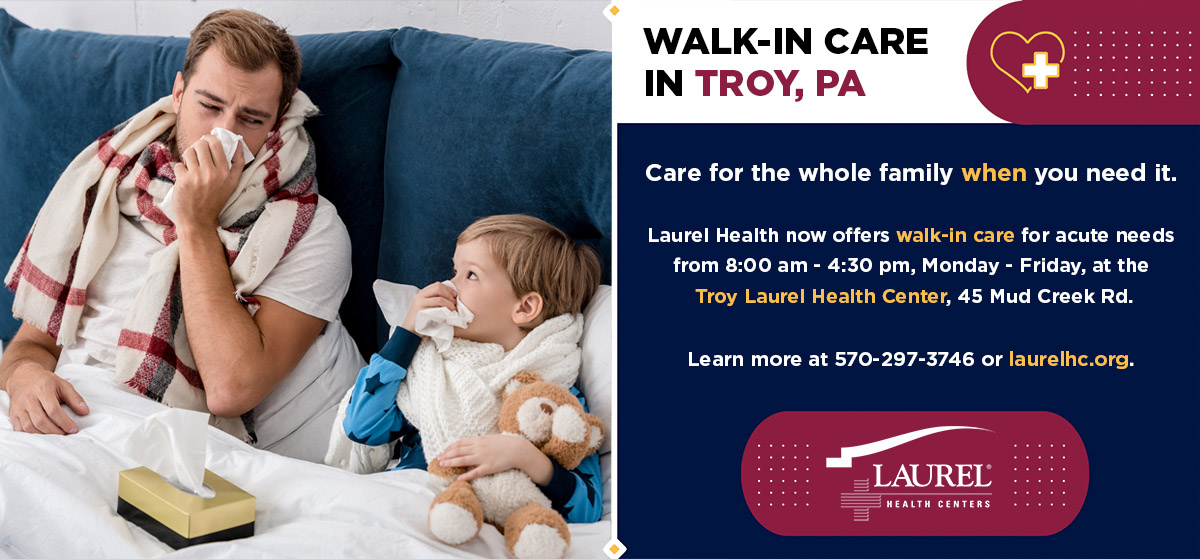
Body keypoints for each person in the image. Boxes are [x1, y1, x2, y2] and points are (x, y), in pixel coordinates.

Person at [0, 9, 361, 460]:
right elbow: (32, 346)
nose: (223, 133)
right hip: (77, 417)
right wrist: (22, 377)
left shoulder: (309, 226)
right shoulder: (109, 182)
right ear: (178, 92)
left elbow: (232, 389)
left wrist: (195, 222)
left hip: (188, 442)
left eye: (251, 119)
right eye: (209, 106)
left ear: (279, 120)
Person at [326, 214, 604, 525]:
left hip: (482, 525)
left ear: (525, 308)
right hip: (405, 503)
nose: (448, 286)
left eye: (470, 275)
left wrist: (525, 456)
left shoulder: (555, 395)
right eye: (454, 271)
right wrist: (408, 331)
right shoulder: (429, 371)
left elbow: (587, 508)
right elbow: (362, 427)